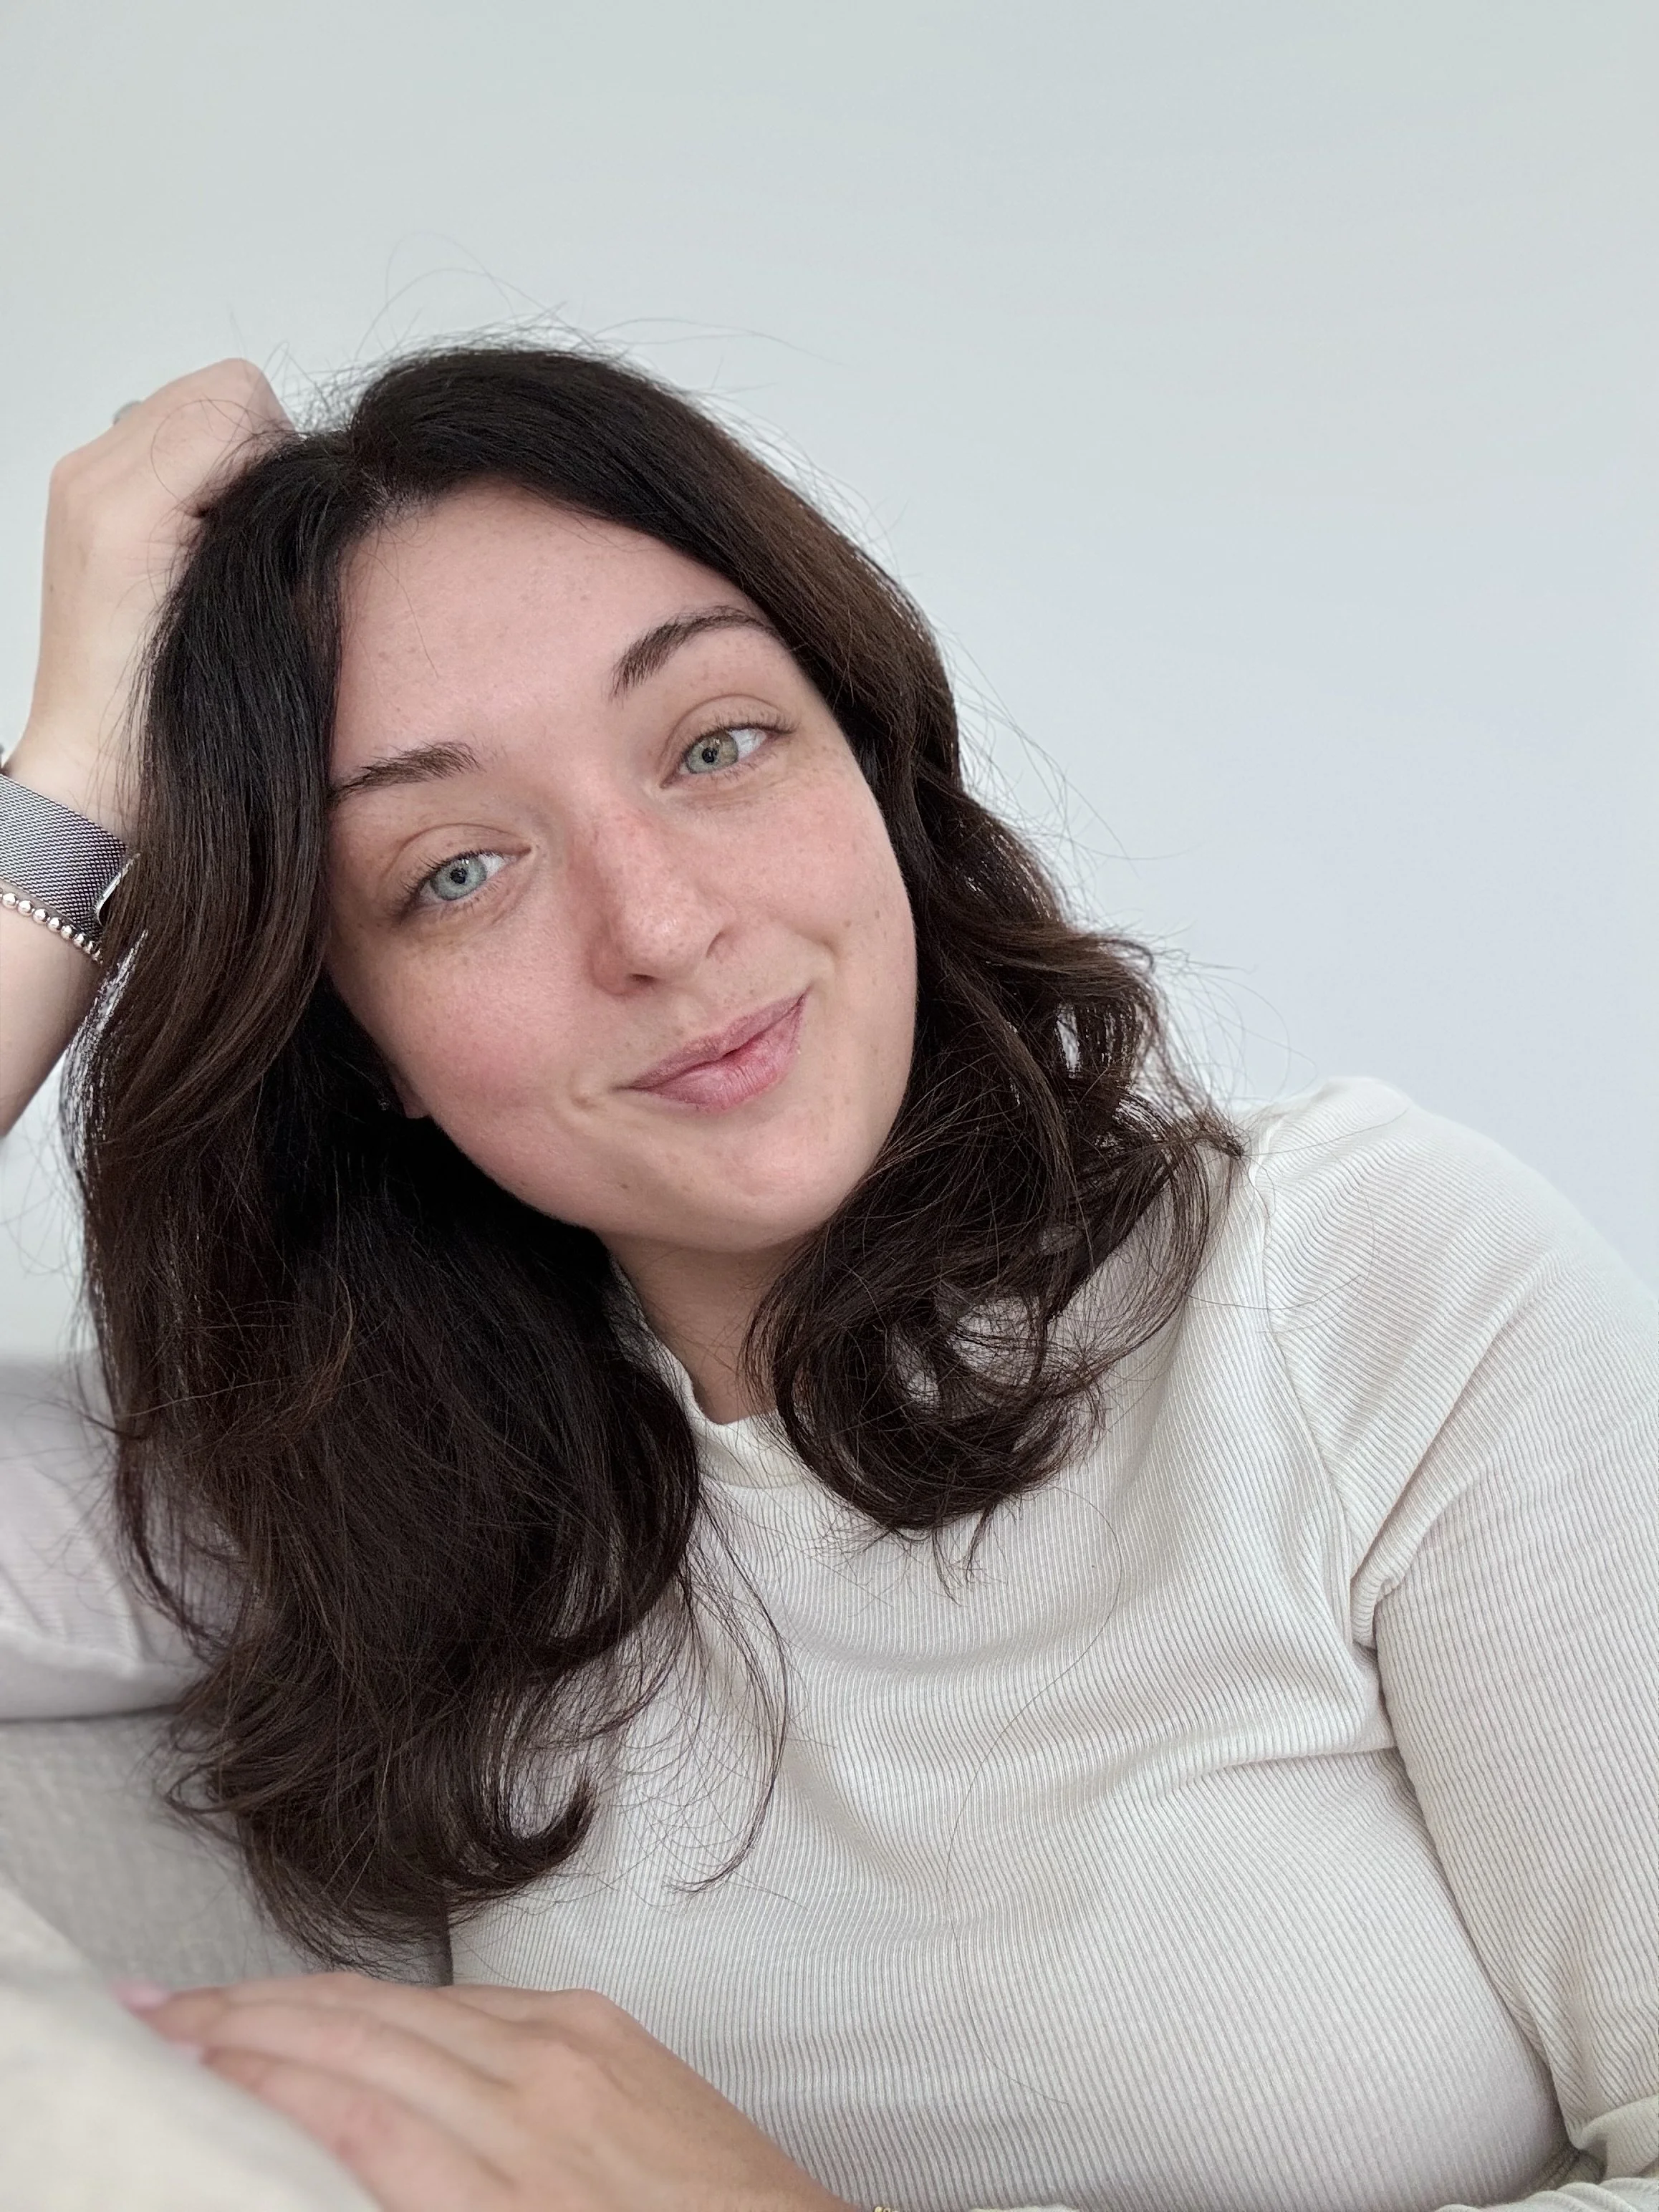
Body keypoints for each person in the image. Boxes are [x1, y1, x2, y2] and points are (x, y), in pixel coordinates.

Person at [0, 347, 1655, 2212]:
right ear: (355, 1035)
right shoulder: (381, 1497)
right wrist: (73, 786)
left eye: (714, 746)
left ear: (871, 768)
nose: (659, 923)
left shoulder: (1348, 1281)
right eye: (456, 870)